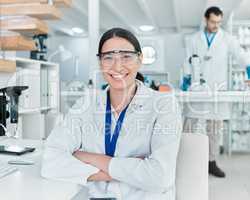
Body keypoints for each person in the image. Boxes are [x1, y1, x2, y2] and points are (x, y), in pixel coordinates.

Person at [41, 27, 182, 199]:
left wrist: (89, 158)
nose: (117, 66)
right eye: (108, 57)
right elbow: (50, 162)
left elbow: (160, 177)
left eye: (126, 56)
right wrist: (130, 170)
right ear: (100, 63)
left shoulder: (164, 104)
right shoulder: (85, 104)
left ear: (140, 59)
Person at [183, 6, 250, 178]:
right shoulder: (193, 39)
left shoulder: (226, 39)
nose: (216, 25)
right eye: (213, 21)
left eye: (218, 22)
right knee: (189, 125)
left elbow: (239, 53)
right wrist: (186, 76)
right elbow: (187, 59)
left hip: (217, 88)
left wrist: (249, 65)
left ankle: (211, 163)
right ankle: (187, 161)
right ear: (206, 19)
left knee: (214, 129)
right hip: (197, 88)